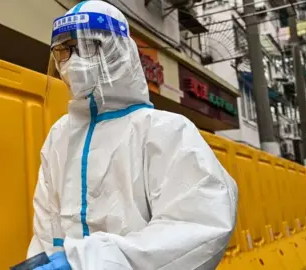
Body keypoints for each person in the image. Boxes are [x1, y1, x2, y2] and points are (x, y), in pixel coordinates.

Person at [27, 1, 238, 269]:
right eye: (65, 50)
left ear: (121, 52)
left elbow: (200, 225)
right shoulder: (59, 136)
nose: (76, 61)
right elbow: (46, 225)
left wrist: (87, 263)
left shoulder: (166, 131)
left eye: (91, 46)